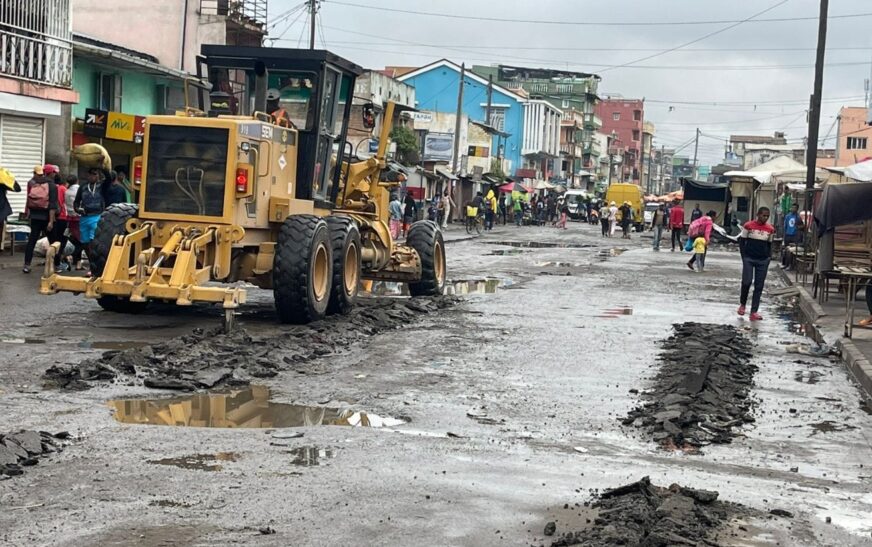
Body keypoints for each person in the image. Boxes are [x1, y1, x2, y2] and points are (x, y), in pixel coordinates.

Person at [738, 207, 775, 321]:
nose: (765, 218)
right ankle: (742, 304)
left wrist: (768, 257)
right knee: (746, 282)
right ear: (758, 214)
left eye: (767, 216)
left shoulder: (770, 229)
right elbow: (742, 241)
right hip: (749, 258)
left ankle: (754, 311)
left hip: (762, 260)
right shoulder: (748, 226)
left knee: (759, 286)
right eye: (763, 215)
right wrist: (744, 256)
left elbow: (770, 244)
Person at [23, 165, 58, 273]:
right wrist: (51, 221)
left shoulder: (32, 183)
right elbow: (52, 205)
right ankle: (57, 264)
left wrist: (27, 213)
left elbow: (28, 200)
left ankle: (27, 264)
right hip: (46, 217)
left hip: (34, 216)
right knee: (53, 242)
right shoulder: (52, 185)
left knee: (32, 241)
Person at [74, 168, 106, 273]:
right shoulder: (83, 187)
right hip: (84, 217)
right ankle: (91, 262)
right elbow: (76, 201)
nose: (93, 177)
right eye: (90, 175)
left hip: (96, 216)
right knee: (85, 242)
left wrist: (104, 167)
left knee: (93, 242)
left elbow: (109, 179)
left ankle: (94, 267)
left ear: (98, 176)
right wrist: (77, 209)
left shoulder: (101, 186)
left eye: (95, 175)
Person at [46, 165, 70, 272]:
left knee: (54, 241)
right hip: (63, 217)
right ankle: (58, 263)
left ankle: (53, 262)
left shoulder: (51, 187)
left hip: (53, 217)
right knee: (62, 240)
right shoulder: (63, 189)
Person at [64, 175, 85, 270]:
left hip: (71, 218)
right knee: (82, 241)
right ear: (77, 181)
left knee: (77, 240)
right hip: (80, 218)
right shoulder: (80, 190)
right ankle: (73, 257)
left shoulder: (67, 191)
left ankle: (78, 263)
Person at [0, 167, 21, 247]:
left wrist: (7, 178)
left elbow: (17, 189)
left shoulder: (2, 183)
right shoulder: (2, 184)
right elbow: (17, 188)